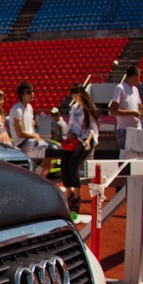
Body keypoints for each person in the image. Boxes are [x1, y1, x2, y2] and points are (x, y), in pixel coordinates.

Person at [60, 84, 99, 213]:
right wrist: (69, 134)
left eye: (77, 94)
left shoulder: (88, 108)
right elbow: (71, 124)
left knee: (73, 164)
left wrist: (88, 140)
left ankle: (77, 195)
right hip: (74, 139)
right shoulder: (73, 108)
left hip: (85, 139)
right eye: (74, 94)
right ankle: (68, 192)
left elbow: (93, 127)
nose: (75, 97)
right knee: (64, 163)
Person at [9, 81, 60, 177]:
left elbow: (31, 127)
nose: (32, 94)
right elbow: (20, 133)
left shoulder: (29, 108)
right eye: (29, 92)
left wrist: (36, 138)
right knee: (51, 150)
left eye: (33, 91)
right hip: (22, 143)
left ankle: (39, 177)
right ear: (22, 94)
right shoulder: (17, 110)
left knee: (52, 156)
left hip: (30, 141)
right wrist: (34, 135)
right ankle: (36, 176)